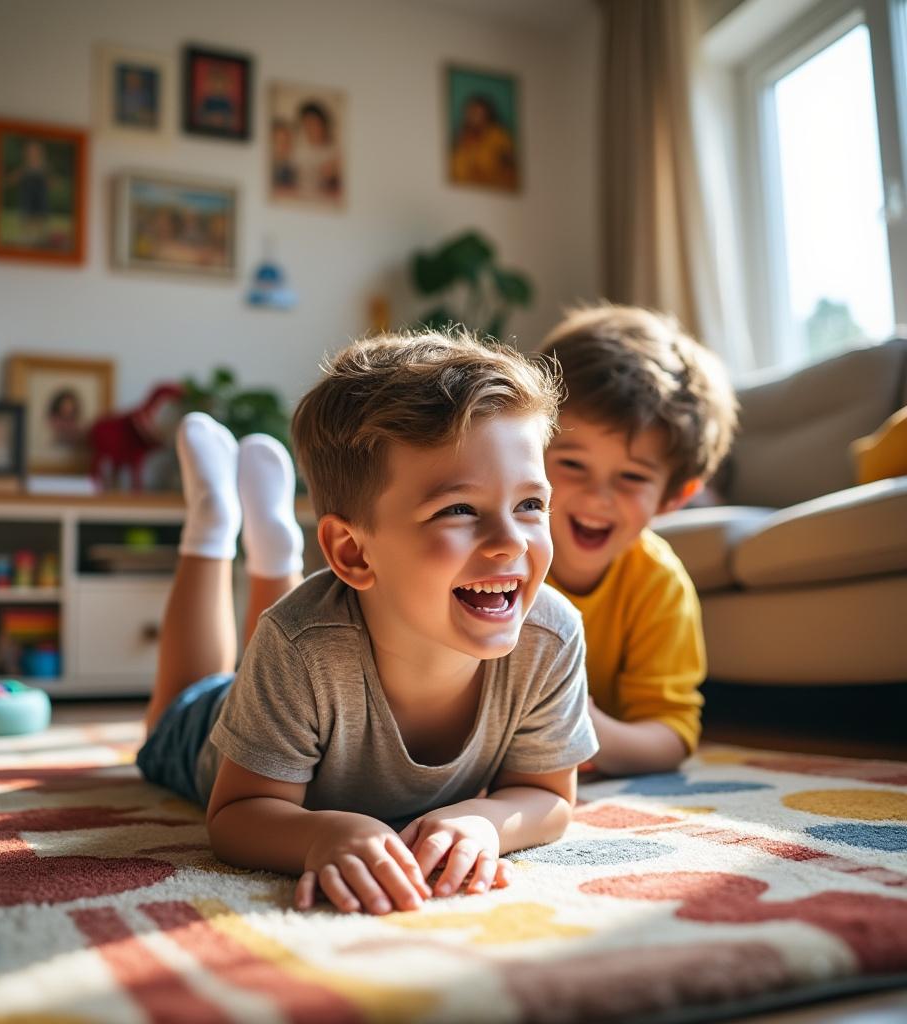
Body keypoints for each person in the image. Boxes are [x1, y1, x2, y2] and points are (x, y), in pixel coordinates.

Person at [138, 331, 597, 916]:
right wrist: (319, 835)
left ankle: (272, 547)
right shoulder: (300, 642)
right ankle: (210, 525)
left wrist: (485, 822)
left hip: (299, 694)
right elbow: (234, 815)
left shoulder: (550, 637)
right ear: (353, 553)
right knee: (181, 698)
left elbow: (551, 797)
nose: (510, 543)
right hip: (214, 725)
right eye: (459, 510)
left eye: (531, 505)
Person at [537, 305, 738, 776]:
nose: (597, 496)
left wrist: (583, 728)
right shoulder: (492, 556)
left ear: (674, 496)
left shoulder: (658, 585)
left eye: (630, 476)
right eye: (571, 464)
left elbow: (671, 735)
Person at [451, 94, 518, 190]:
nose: (473, 117)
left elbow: (510, 165)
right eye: (470, 113)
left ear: (487, 114)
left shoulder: (498, 136)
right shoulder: (460, 136)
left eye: (477, 113)